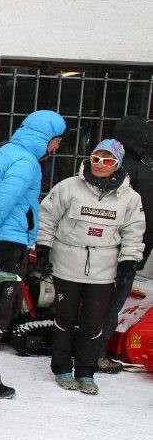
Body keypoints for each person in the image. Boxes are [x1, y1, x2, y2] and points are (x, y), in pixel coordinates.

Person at [0, 109, 66, 399]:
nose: (57, 146)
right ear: (47, 137)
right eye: (57, 140)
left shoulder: (3, 153)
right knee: (0, 311)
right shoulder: (27, 163)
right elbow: (2, 202)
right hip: (7, 244)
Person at [35, 139, 144, 394]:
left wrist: (128, 261)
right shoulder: (69, 187)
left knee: (93, 322)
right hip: (67, 263)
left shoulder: (130, 197)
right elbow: (47, 217)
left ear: (117, 165)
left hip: (103, 268)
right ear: (90, 159)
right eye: (97, 159)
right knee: (65, 317)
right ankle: (61, 368)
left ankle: (86, 372)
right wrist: (43, 248)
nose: (101, 165)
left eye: (108, 161)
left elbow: (133, 232)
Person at [96, 116, 153, 373]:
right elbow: (148, 219)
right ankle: (97, 354)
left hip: (92, 249)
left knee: (91, 301)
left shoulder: (101, 165)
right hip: (125, 251)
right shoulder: (143, 173)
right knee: (112, 302)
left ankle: (83, 348)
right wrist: (140, 255)